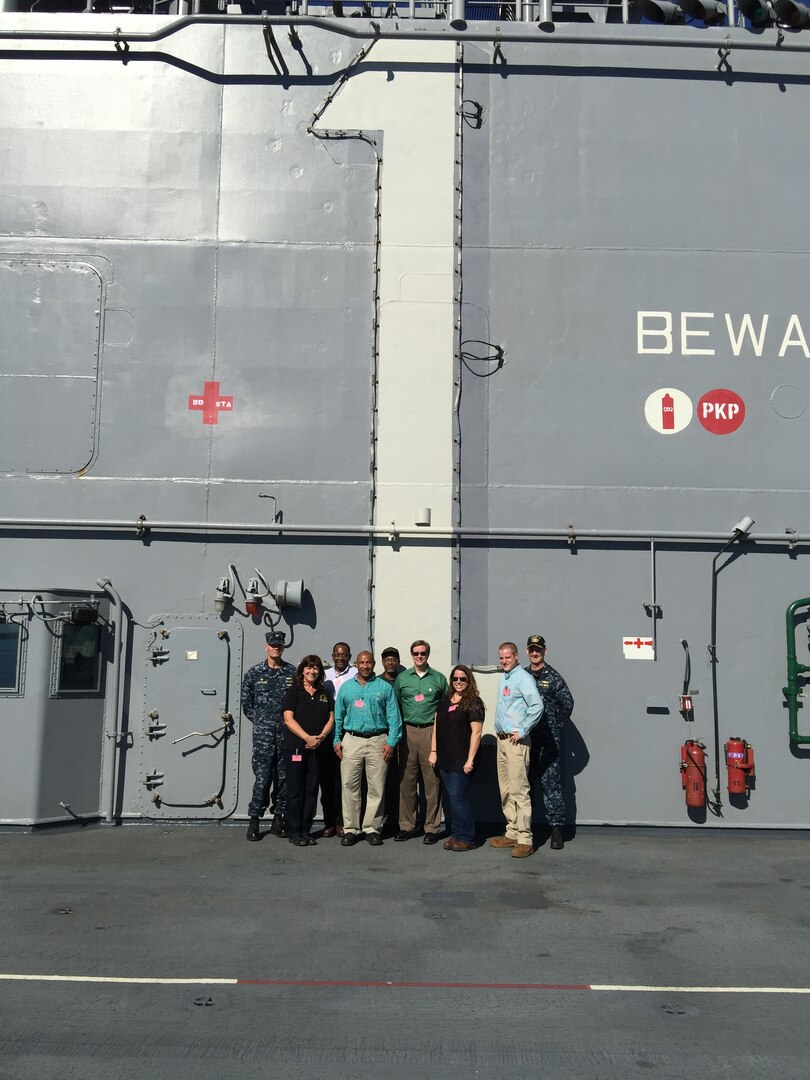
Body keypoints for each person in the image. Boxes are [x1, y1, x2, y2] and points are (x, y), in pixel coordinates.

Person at [333, 650, 401, 846]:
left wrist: (391, 742)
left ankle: (372, 828)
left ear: (373, 664)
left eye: (368, 662)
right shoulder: (346, 688)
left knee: (376, 787)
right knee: (349, 786)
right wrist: (337, 739)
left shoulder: (384, 688)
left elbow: (394, 717)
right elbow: (338, 716)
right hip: (351, 740)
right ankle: (351, 829)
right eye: (361, 662)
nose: (365, 666)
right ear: (356, 664)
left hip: (378, 740)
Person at [242, 630, 296, 841]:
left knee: (283, 779)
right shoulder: (254, 673)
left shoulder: (292, 673)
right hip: (263, 737)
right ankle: (255, 819)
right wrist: (261, 722)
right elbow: (247, 703)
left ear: (283, 648)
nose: (276, 648)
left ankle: (278, 819)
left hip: (286, 735)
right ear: (266, 646)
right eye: (273, 645)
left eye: (279, 646)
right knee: (262, 779)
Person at [490, 641, 543, 858]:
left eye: (508, 657)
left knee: (519, 790)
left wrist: (522, 731)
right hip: (502, 742)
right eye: (501, 658)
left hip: (516, 743)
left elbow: (537, 705)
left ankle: (525, 838)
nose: (504, 661)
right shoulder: (506, 676)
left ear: (517, 656)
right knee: (506, 789)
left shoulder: (523, 678)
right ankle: (511, 832)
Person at [394, 641, 448, 845]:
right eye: (416, 653)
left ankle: (432, 827)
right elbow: (397, 703)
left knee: (432, 781)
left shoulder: (439, 678)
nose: (419, 656)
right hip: (408, 731)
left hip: (430, 731)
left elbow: (446, 705)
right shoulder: (402, 678)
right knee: (406, 780)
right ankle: (407, 825)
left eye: (423, 653)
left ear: (428, 654)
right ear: (411, 655)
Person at [525, 634, 574, 850]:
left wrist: (554, 724)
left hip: (547, 742)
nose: (535, 653)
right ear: (527, 652)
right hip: (526, 740)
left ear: (545, 651)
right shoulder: (522, 675)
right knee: (525, 786)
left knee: (551, 786)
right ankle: (524, 829)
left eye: (539, 649)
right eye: (532, 649)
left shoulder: (553, 677)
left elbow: (567, 703)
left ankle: (556, 830)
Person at [430, 664, 484, 852]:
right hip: (445, 757)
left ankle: (467, 837)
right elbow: (437, 725)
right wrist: (433, 751)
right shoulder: (445, 700)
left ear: (468, 681)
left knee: (459, 797)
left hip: (462, 759)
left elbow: (476, 733)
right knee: (452, 798)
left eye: (463, 679)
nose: (459, 682)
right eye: (455, 679)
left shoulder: (474, 703)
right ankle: (456, 834)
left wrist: (470, 760)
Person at [282, 655, 335, 847]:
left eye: (316, 668)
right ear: (302, 670)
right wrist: (307, 738)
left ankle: (306, 829)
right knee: (296, 790)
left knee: (311, 791)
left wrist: (320, 737)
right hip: (296, 747)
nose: (312, 671)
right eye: (309, 668)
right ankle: (294, 830)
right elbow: (288, 719)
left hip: (317, 749)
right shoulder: (293, 692)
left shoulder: (324, 692)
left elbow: (331, 717)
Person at [319, 642, 357, 837]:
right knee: (327, 780)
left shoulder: (356, 674)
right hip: (326, 732)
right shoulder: (324, 675)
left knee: (346, 780)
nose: (341, 658)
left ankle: (343, 820)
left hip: (347, 733)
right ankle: (329, 821)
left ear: (349, 656)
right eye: (337, 654)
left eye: (344, 654)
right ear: (332, 656)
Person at [379, 646, 404, 834]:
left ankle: (398, 819)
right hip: (382, 736)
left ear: (398, 661)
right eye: (387, 659)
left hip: (403, 735)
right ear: (382, 662)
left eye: (393, 659)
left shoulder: (403, 680)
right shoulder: (377, 682)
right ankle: (385, 817)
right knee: (383, 778)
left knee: (401, 778)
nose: (390, 662)